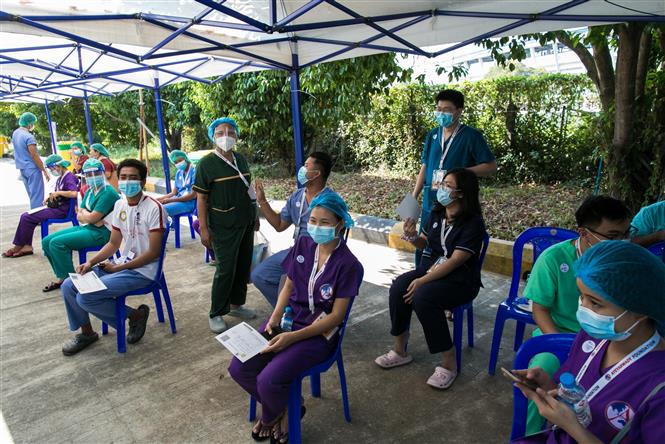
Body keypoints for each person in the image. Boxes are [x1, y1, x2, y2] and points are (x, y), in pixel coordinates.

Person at [228, 192, 363, 443]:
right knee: (239, 367)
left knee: (268, 379)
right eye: (313, 220)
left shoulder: (349, 265)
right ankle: (287, 406)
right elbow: (288, 286)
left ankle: (270, 416)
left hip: (318, 336)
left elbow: (335, 318)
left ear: (340, 224)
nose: (316, 227)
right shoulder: (304, 244)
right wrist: (274, 319)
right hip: (289, 321)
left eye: (324, 222)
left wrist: (292, 338)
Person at [512, 241, 665, 443]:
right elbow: (577, 395)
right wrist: (546, 384)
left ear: (641, 309)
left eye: (595, 303)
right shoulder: (593, 337)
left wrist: (573, 427)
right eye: (581, 296)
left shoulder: (658, 387)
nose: (583, 309)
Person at [522, 195, 631, 434]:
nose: (622, 242)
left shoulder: (624, 263)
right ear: (583, 232)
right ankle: (530, 435)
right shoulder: (554, 259)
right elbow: (539, 309)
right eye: (613, 236)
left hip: (607, 337)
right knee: (539, 376)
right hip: (559, 333)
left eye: (626, 234)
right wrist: (562, 344)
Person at [375, 168, 487, 390]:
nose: (441, 189)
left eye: (448, 186)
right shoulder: (437, 213)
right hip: (430, 272)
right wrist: (412, 236)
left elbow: (455, 261)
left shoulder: (473, 223)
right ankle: (400, 350)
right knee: (399, 287)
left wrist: (422, 281)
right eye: (442, 184)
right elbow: (424, 242)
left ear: (462, 193)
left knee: (423, 296)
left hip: (460, 281)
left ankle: (449, 361)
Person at [59, 159, 166, 355]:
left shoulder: (154, 208)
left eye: (133, 178)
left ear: (143, 182)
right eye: (123, 177)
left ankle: (134, 316)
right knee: (68, 285)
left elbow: (153, 253)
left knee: (86, 297)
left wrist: (118, 268)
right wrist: (91, 262)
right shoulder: (120, 205)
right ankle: (87, 333)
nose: (127, 182)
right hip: (122, 264)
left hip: (143, 270)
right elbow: (113, 243)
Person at [412, 90, 496, 263]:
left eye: (447, 109)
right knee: (425, 246)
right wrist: (414, 196)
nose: (441, 113)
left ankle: (442, 281)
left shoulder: (471, 136)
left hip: (456, 202)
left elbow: (490, 166)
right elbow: (425, 166)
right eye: (438, 109)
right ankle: (420, 278)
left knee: (450, 247)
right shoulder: (432, 135)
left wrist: (461, 174)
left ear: (459, 111)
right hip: (432, 201)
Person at [194, 117, 259, 333]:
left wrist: (255, 215)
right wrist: (204, 229)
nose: (226, 136)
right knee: (225, 269)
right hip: (222, 225)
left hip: (245, 220)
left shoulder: (240, 159)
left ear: (237, 136)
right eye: (221, 133)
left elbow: (248, 189)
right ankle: (216, 312)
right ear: (213, 137)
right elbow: (201, 199)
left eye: (231, 132)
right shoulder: (206, 164)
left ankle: (236, 304)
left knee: (242, 265)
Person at [252, 151, 334, 306]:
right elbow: (279, 225)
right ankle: (289, 312)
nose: (302, 169)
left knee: (293, 281)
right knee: (260, 275)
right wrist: (262, 201)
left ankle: (302, 313)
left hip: (321, 254)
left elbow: (336, 236)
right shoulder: (297, 197)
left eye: (306, 166)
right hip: (296, 251)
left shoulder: (331, 201)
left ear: (316, 174)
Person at [41, 158, 119, 292]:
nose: (92, 177)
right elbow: (80, 215)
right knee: (46, 241)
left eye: (96, 173)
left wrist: (89, 216)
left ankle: (70, 282)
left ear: (102, 173)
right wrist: (89, 217)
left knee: (57, 243)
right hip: (89, 227)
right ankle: (62, 276)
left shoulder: (108, 192)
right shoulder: (90, 191)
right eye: (88, 174)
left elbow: (93, 217)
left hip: (102, 233)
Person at [2, 155, 79, 258]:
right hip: (57, 208)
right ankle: (26, 246)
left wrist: (59, 193)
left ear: (59, 166)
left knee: (27, 217)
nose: (52, 171)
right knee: (27, 216)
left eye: (52, 168)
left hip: (63, 211)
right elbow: (59, 193)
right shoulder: (61, 178)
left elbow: (74, 193)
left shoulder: (69, 177)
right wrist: (50, 197)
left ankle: (20, 246)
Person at [11, 112, 50, 209]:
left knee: (32, 194)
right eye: (33, 123)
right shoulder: (29, 137)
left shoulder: (15, 133)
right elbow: (34, 155)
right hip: (32, 169)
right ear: (29, 124)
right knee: (37, 195)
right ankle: (37, 218)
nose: (33, 125)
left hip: (22, 168)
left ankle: (34, 216)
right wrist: (44, 170)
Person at [156, 150, 197, 217]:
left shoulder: (194, 171)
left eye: (180, 160)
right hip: (177, 199)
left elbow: (193, 195)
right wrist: (158, 199)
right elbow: (173, 193)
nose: (178, 163)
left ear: (185, 158)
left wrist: (169, 200)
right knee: (154, 206)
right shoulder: (179, 172)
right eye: (175, 162)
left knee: (160, 210)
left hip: (190, 202)